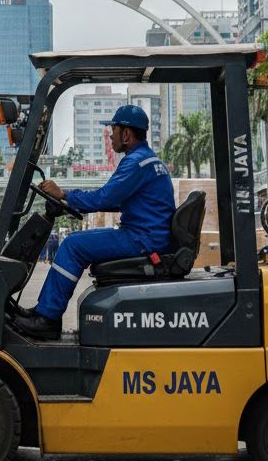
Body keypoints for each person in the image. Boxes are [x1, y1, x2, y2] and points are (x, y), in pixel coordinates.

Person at [12, 105, 176, 340]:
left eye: (114, 129)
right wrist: (71, 202)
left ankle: (47, 317)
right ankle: (43, 310)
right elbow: (118, 202)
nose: (110, 135)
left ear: (126, 134)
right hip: (147, 236)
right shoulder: (148, 161)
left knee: (72, 245)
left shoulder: (136, 163)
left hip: (143, 239)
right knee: (76, 242)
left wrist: (65, 195)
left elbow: (105, 197)